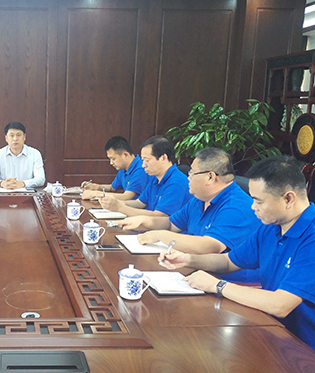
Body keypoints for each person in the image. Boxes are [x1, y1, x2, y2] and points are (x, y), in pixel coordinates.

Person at [160, 156, 315, 350]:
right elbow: (228, 261)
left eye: (258, 201)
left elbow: (281, 305)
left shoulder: (311, 236)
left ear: (288, 199)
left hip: (304, 348)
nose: (253, 207)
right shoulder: (271, 226)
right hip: (272, 330)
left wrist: (217, 285)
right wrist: (187, 259)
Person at [118, 148, 261, 254]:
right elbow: (171, 224)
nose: (188, 178)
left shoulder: (236, 206)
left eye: (192, 173)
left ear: (210, 177)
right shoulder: (200, 199)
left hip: (227, 279)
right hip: (196, 267)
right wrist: (144, 221)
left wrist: (160, 235)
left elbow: (210, 246)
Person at [99, 135, 190, 217]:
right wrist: (114, 204)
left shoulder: (176, 182)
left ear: (163, 158)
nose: (143, 165)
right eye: (143, 160)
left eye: (147, 160)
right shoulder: (156, 178)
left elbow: (160, 216)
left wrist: (120, 208)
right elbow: (139, 203)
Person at [80, 136, 149, 201]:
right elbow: (112, 188)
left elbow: (126, 197)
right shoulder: (123, 168)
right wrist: (96, 187)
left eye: (113, 159)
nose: (111, 163)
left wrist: (95, 194)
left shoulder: (141, 169)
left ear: (125, 155)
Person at [0, 122, 45, 189]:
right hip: (4, 192)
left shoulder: (35, 154)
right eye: (11, 135)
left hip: (28, 193)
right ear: (6, 138)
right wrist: (2, 183)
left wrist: (22, 183)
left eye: (18, 135)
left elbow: (41, 179)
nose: (15, 139)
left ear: (24, 137)